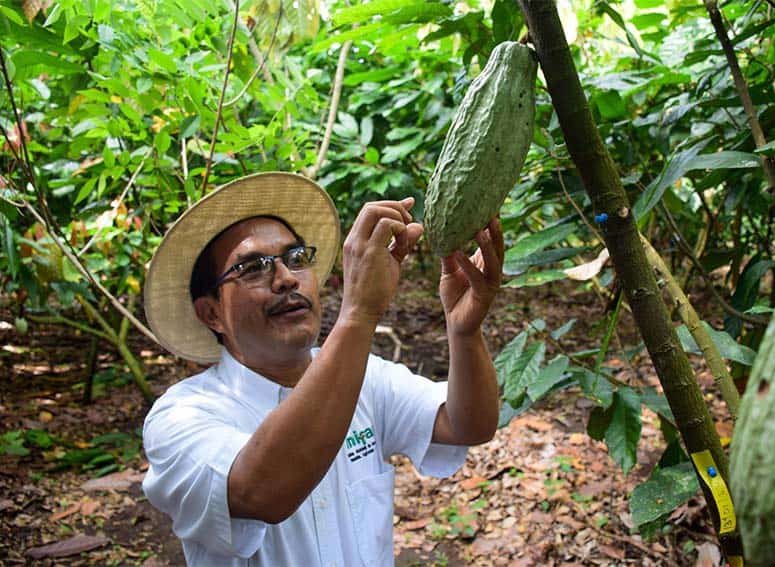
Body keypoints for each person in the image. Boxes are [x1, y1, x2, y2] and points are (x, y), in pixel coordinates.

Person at [141, 172, 504, 566]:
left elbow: (467, 425)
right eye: (251, 268)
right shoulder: (180, 418)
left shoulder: (368, 379)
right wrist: (360, 311)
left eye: (296, 259)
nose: (284, 279)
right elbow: (261, 491)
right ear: (211, 314)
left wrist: (464, 332)